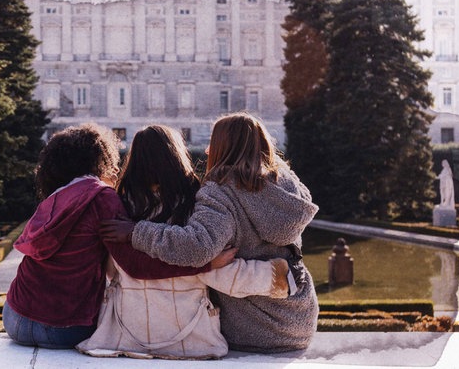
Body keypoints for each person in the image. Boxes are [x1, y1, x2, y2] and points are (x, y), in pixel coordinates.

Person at [4, 123, 245, 349]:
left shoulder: (57, 195)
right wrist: (206, 264)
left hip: (14, 317)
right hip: (62, 329)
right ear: (100, 161)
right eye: (112, 161)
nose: (118, 169)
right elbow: (134, 266)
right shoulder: (101, 198)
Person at [101, 113, 320, 353]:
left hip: (252, 329)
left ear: (224, 148)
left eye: (212, 143)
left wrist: (136, 232)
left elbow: (197, 248)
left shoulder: (221, 192)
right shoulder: (288, 187)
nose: (206, 151)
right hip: (300, 320)